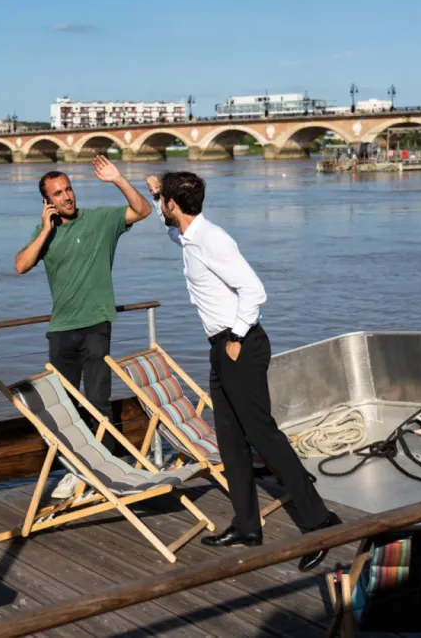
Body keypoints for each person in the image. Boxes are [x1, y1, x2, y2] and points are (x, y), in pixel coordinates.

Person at [145, 170, 341, 573]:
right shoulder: (190, 236)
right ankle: (247, 525)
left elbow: (254, 289)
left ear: (174, 204)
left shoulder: (212, 239)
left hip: (241, 346)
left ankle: (320, 522)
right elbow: (172, 231)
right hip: (222, 348)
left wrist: (236, 336)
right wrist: (155, 195)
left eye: (164, 201)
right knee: (231, 441)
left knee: (263, 437)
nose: (162, 207)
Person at [14, 155, 152, 499]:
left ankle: (100, 473)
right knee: (64, 409)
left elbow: (143, 210)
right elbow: (21, 265)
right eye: (58, 193)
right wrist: (46, 230)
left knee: (97, 403)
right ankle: (77, 471)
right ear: (47, 201)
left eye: (69, 189)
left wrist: (118, 179)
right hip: (61, 329)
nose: (67, 196)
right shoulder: (45, 233)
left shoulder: (101, 220)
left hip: (95, 325)